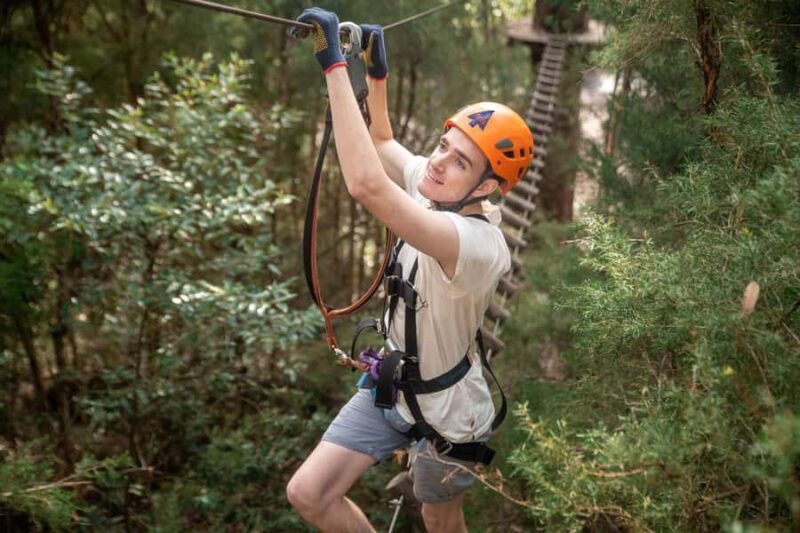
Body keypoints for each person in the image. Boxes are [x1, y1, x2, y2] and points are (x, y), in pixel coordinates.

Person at [286, 8, 533, 533]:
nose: (438, 162)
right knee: (308, 493)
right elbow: (382, 145)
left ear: (486, 188)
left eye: (459, 161)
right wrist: (377, 78)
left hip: (451, 414)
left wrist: (334, 66)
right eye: (444, 145)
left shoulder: (472, 242)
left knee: (439, 520)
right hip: (393, 388)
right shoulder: (443, 187)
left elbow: (367, 185)